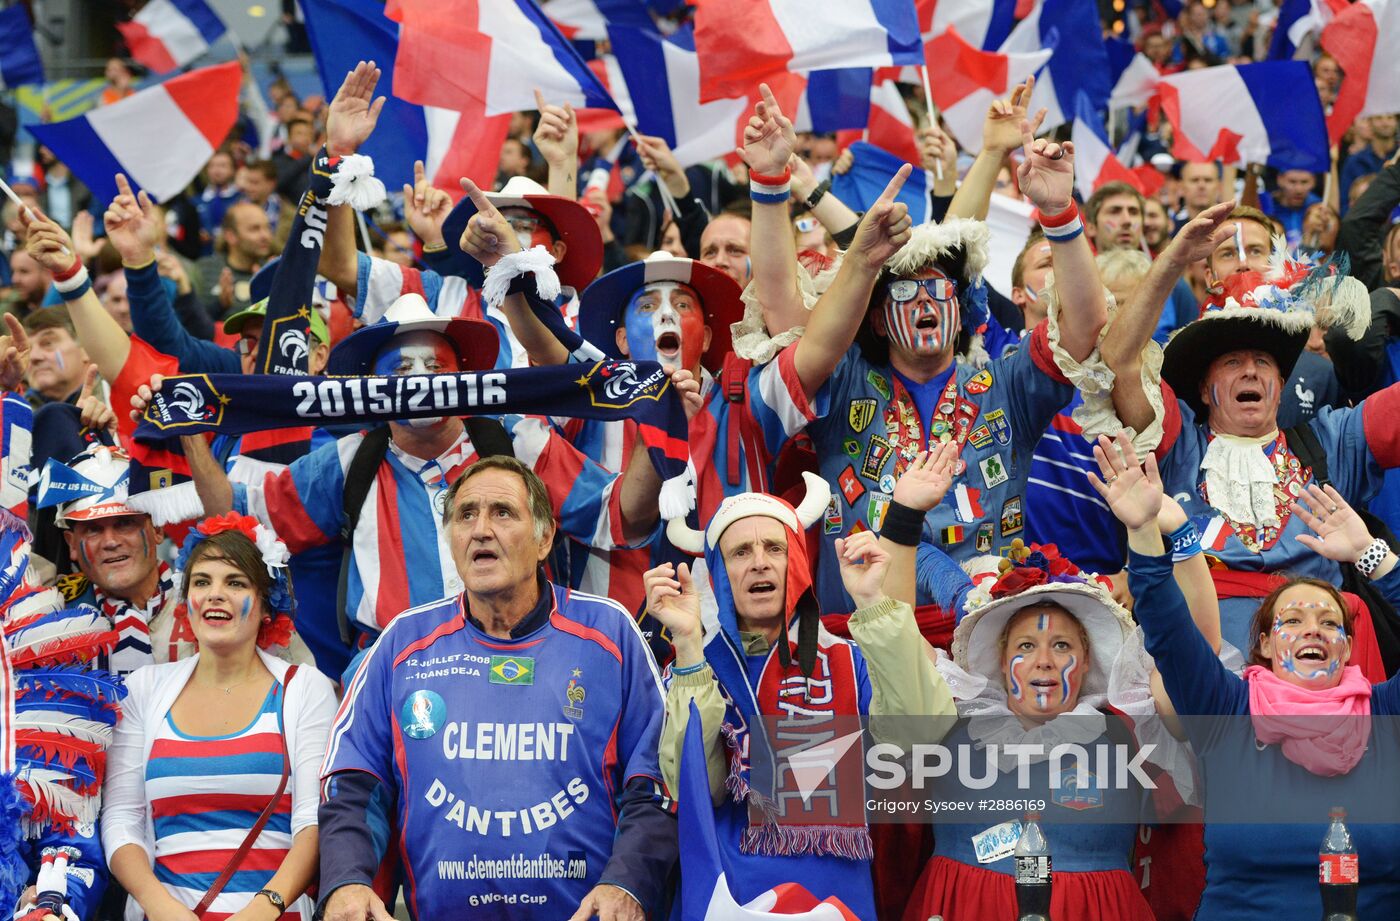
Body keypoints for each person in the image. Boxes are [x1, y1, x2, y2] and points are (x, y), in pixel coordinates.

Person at [317, 457, 675, 921]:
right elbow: (352, 785)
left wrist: (627, 883)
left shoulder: (610, 633)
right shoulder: (402, 645)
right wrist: (347, 881)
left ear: (544, 538)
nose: (481, 530)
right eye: (466, 515)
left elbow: (656, 782)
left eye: (502, 512)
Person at [897, 434, 1217, 921]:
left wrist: (1174, 532)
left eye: (1062, 646)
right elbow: (894, 635)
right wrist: (903, 516)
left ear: (1087, 663)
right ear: (1001, 661)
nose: (1044, 661)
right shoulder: (950, 713)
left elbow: (1198, 659)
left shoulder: (1131, 727)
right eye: (1026, 646)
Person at [1106, 433, 1400, 920]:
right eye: (1293, 620)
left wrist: (1374, 555)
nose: (1315, 631)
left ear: (1348, 648)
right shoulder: (1227, 713)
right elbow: (1168, 629)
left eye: (1330, 622)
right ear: (1262, 644)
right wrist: (1145, 531)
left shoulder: (1386, 715)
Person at [648, 463, 954, 918]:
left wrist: (873, 601)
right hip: (726, 898)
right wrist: (689, 644)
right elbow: (696, 791)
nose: (759, 562)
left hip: (835, 900)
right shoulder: (699, 668)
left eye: (774, 547)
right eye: (740, 552)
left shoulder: (851, 659)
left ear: (796, 561)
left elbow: (921, 740)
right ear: (718, 573)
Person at [1097, 205, 1386, 655]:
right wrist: (1173, 261)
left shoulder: (1334, 440)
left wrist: (1391, 298)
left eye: (1263, 362)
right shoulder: (1175, 444)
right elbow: (1118, 360)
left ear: (1282, 384)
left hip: (1317, 677)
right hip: (1203, 682)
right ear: (1207, 390)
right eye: (1232, 362)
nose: (1249, 372)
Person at [102, 514, 336, 921]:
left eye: (235, 583)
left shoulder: (305, 689)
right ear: (186, 600)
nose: (215, 594)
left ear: (266, 603)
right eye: (202, 582)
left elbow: (313, 822)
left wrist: (262, 911)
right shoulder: (143, 687)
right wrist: (162, 908)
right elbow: (122, 817)